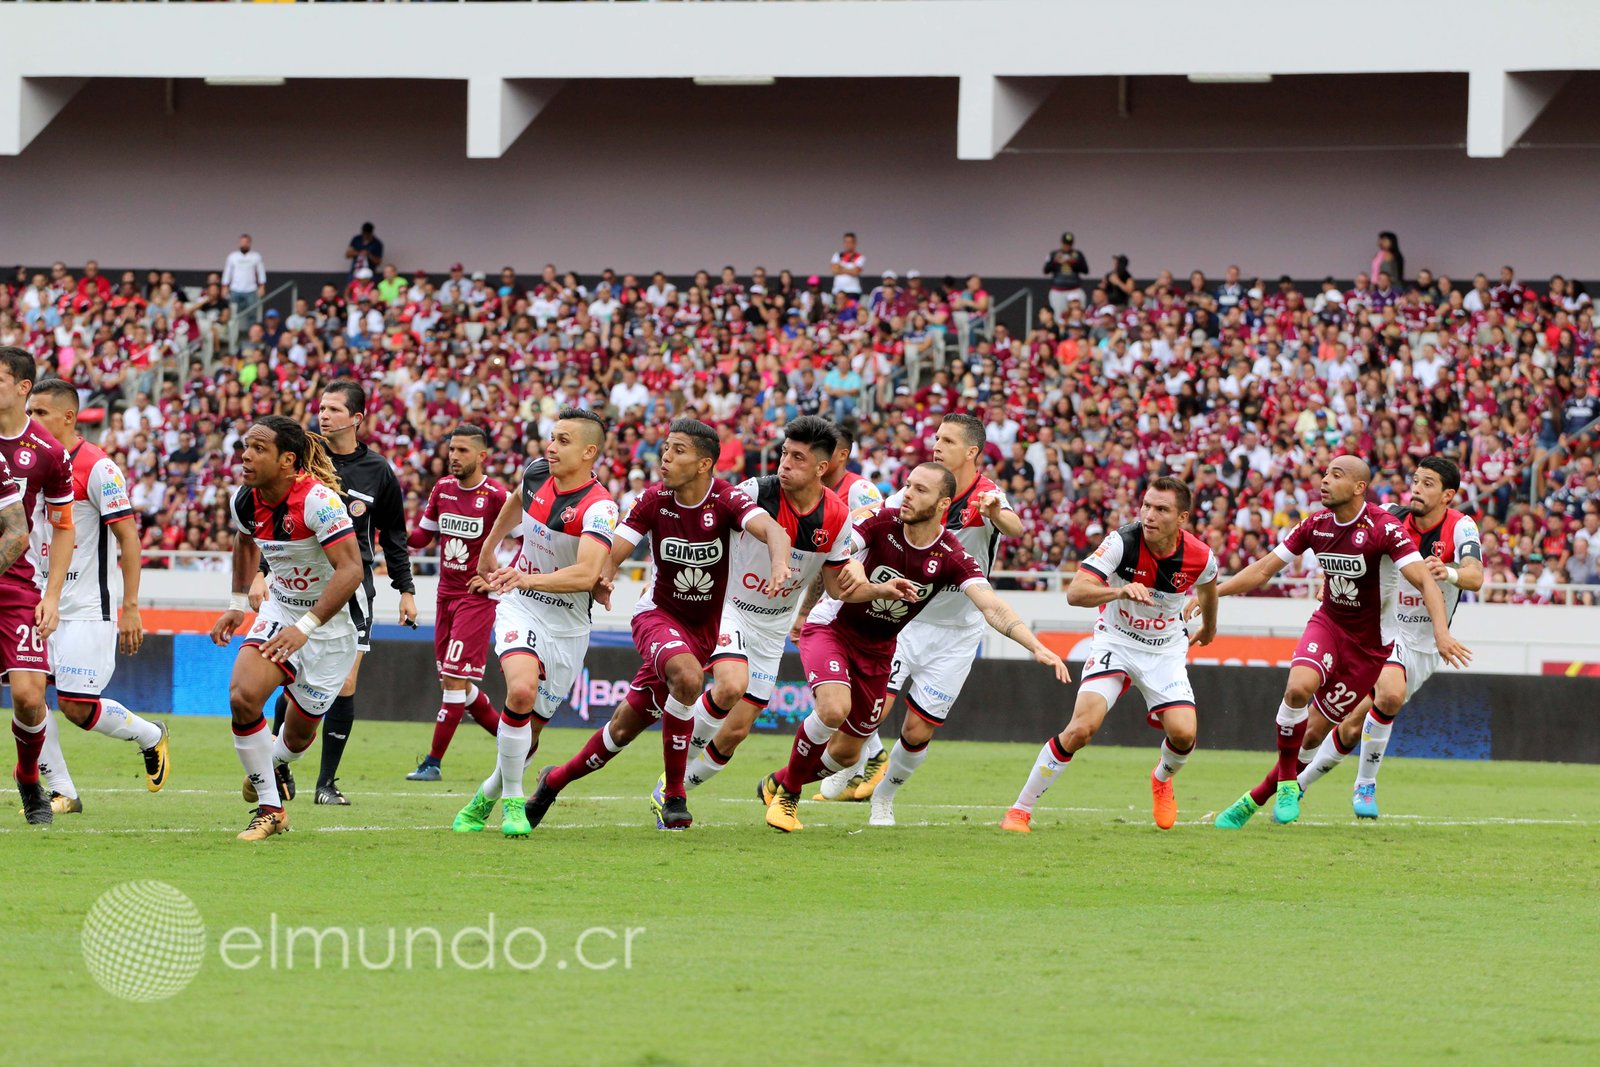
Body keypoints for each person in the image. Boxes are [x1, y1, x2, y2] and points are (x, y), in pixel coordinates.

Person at [761, 462, 1072, 831]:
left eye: (920, 490)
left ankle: (778, 780)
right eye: (908, 485)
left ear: (943, 504)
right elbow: (841, 550)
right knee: (833, 709)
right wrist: (854, 567)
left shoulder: (952, 555)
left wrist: (1035, 646)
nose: (908, 494)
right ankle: (788, 796)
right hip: (833, 629)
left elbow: (992, 607)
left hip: (878, 649)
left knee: (846, 754)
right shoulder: (882, 522)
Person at [518, 418, 794, 833]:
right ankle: (676, 797)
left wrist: (778, 563)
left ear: (704, 464)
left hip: (704, 629)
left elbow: (773, 529)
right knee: (686, 677)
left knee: (620, 732)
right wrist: (605, 576)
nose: (666, 456)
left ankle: (552, 782)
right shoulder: (652, 501)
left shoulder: (726, 500)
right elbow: (617, 548)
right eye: (666, 447)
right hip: (657, 616)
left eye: (678, 450)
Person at [1200, 456, 1470, 829]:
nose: (1324, 480)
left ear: (1359, 487)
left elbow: (1426, 581)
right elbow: (1263, 569)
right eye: (1325, 473)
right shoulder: (1316, 524)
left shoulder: (1385, 528)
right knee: (1298, 688)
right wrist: (1211, 595)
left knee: (1314, 733)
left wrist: (1441, 632)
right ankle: (1310, 785)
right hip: (1329, 624)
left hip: (1369, 645)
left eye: (1335, 475)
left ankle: (1254, 799)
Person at [812, 413, 1021, 810]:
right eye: (936, 438)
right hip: (905, 618)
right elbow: (875, 517)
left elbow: (1015, 527)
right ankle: (852, 763)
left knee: (917, 729)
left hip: (957, 630)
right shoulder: (920, 487)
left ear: (971, 451)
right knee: (871, 707)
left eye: (946, 441)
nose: (936, 446)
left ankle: (884, 798)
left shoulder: (987, 494)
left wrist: (995, 513)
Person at [1000, 478, 1217, 834]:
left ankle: (1162, 778)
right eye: (1146, 505)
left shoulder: (1199, 555)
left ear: (1182, 518)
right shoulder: (1122, 541)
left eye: (1161, 509)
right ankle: (1019, 811)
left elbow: (1209, 589)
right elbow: (1076, 592)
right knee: (1082, 728)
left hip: (1164, 650)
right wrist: (1118, 592)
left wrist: (1209, 627)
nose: (1149, 515)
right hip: (1115, 642)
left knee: (1183, 734)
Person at [450, 409, 618, 838]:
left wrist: (526, 575)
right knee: (520, 690)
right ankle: (512, 802)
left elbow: (585, 574)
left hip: (568, 626)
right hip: (520, 605)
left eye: (563, 441)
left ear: (589, 451)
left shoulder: (600, 508)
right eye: (551, 438)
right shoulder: (537, 472)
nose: (551, 447)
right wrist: (491, 545)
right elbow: (516, 500)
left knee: (532, 731)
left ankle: (484, 798)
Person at [250, 380, 417, 805]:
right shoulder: (296, 460)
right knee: (289, 673)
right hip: (293, 588)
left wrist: (406, 589)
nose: (323, 415)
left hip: (350, 589)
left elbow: (394, 534)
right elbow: (279, 523)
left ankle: (326, 782)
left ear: (357, 418)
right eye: (321, 407)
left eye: (334, 409)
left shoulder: (377, 471)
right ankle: (277, 760)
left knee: (344, 683)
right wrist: (260, 573)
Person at [673, 416, 852, 797]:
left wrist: (871, 588)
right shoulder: (755, 491)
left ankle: (674, 787)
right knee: (730, 685)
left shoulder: (837, 516)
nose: (785, 464)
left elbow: (836, 587)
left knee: (736, 731)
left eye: (798, 458)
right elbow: (707, 523)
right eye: (784, 454)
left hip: (772, 629)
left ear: (822, 467)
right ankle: (675, 775)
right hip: (729, 609)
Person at [1295, 457, 1483, 817]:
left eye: (1428, 483)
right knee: (1390, 692)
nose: (1416, 488)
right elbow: (1345, 547)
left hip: (1425, 646)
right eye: (1415, 480)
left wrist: (1451, 571)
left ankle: (1296, 785)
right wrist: (1331, 585)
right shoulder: (1387, 517)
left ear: (1448, 495)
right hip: (1384, 632)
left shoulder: (1462, 527)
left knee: (1352, 728)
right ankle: (1365, 787)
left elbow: (1475, 575)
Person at [210, 416, 363, 841]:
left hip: (330, 630)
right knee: (243, 697)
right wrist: (237, 605)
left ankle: (272, 764)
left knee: (296, 736)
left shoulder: (319, 502)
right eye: (245, 446)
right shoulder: (245, 499)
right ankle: (270, 807)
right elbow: (243, 543)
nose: (246, 454)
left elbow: (352, 570)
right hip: (280, 612)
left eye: (259, 448)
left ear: (287, 461)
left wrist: (309, 626)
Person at [25, 379, 169, 815]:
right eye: (29, 412)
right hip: (36, 599)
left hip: (89, 606)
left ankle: (150, 735)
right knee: (30, 697)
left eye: (41, 413)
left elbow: (129, 539)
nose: (32, 421)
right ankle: (62, 790)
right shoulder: (27, 462)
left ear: (69, 417)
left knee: (75, 707)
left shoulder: (98, 467)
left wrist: (130, 607)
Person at [403, 424, 507, 782]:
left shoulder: (496, 495)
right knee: (457, 686)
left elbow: (528, 541)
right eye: (451, 449)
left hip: (477, 599)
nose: (454, 456)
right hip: (445, 596)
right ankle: (517, 744)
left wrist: (496, 578)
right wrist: (391, 530)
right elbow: (423, 535)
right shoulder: (443, 489)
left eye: (462, 450)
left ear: (481, 456)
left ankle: (432, 762)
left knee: (452, 679)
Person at [0, 348, 75, 825]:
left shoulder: (48, 452)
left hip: (17, 583)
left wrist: (52, 596)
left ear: (22, 387)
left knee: (30, 697)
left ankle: (29, 777)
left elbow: (63, 527)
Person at [223, 233, 267, 335]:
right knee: (233, 314)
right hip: (235, 289)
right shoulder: (232, 256)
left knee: (252, 315)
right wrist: (225, 286)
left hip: (251, 290)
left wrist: (262, 286)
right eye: (242, 242)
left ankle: (251, 335)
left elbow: (261, 272)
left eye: (246, 242)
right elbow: (227, 272)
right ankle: (232, 335)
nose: (244, 244)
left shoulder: (256, 256)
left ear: (250, 243)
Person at [1044, 231, 1089, 316]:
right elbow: (1046, 270)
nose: (1067, 246)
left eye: (1069, 244)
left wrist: (1073, 263)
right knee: (1058, 315)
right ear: (1061, 243)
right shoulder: (1054, 254)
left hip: (1074, 289)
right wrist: (1055, 261)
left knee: (1078, 314)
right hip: (1058, 290)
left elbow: (1085, 270)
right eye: (1065, 244)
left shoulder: (1077, 254)